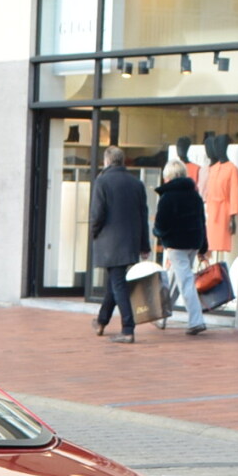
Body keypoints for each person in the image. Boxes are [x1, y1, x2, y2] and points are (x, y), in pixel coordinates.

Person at [88, 146, 149, 343]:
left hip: (110, 242)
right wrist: (144, 244)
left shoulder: (102, 181)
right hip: (129, 241)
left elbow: (97, 213)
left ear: (107, 161)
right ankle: (101, 320)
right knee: (115, 283)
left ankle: (128, 328)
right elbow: (143, 216)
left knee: (118, 284)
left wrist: (94, 232)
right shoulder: (136, 183)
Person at [152, 149, 210, 336]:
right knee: (176, 278)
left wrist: (160, 235)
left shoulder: (167, 197)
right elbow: (202, 221)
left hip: (176, 244)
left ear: (168, 176)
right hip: (193, 242)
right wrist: (203, 246)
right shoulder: (194, 196)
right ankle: (161, 317)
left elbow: (160, 224)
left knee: (185, 281)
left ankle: (196, 320)